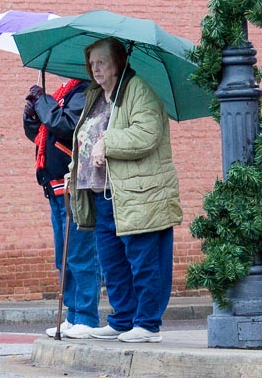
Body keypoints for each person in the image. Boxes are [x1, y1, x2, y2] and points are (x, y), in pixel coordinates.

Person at [66, 37, 183, 343]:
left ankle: (148, 323)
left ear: (118, 62)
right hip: (101, 195)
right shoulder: (95, 96)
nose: (95, 68)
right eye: (92, 63)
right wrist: (74, 172)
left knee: (144, 260)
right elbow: (86, 140)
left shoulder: (139, 90)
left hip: (137, 194)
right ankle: (122, 319)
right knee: (112, 262)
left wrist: (109, 142)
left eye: (102, 62)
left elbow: (147, 134)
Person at [23, 79, 102, 339]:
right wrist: (32, 117)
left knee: (80, 255)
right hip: (55, 187)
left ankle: (87, 317)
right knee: (64, 257)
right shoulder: (64, 93)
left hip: (74, 187)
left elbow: (66, 125)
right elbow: (44, 134)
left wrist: (43, 102)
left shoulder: (84, 93)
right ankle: (72, 314)